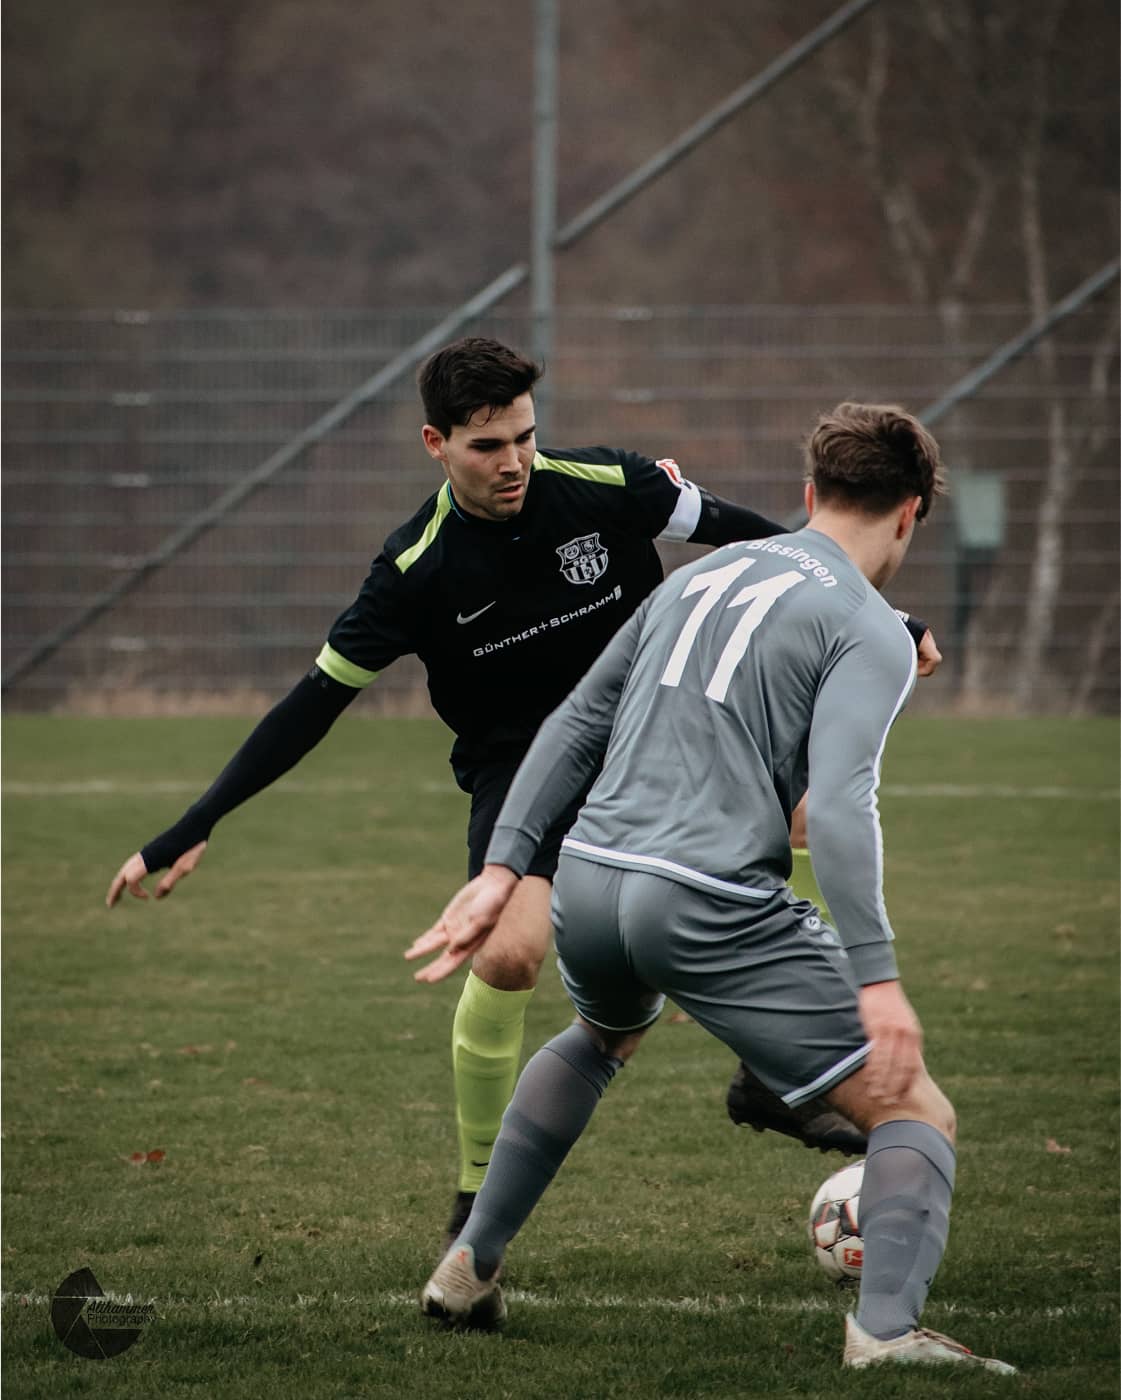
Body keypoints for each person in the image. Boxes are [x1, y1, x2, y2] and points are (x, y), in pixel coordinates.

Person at [105, 338, 933, 1246]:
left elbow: (770, 542)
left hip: (654, 741)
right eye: (486, 446)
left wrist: (883, 614)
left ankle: (768, 1076)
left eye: (525, 439)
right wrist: (195, 824)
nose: (513, 463)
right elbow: (312, 705)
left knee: (808, 808)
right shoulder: (413, 572)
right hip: (522, 771)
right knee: (506, 959)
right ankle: (474, 1192)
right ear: (436, 443)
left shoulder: (605, 485)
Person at [411, 401, 1015, 1375]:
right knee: (912, 1106)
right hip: (700, 895)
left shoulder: (705, 572)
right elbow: (844, 807)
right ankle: (888, 1331)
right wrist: (877, 975)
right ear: (908, 515)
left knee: (602, 1034)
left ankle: (466, 1264)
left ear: (810, 495)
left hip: (591, 878)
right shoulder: (868, 624)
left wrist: (500, 866)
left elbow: (573, 724)